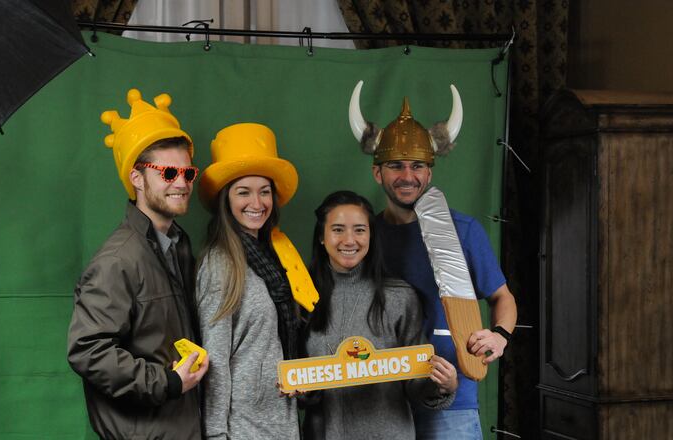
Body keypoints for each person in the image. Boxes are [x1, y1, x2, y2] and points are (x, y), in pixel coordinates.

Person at [348, 82, 518, 439]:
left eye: (417, 166)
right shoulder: (362, 236)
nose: (407, 176)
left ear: (430, 173)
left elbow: (502, 297)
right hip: (382, 400)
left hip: (451, 398)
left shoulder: (464, 230)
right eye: (396, 165)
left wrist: (500, 335)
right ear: (377, 172)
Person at [67, 89, 208, 440]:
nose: (181, 183)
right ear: (136, 178)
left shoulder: (179, 245)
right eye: (169, 172)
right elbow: (88, 351)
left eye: (188, 173)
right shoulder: (117, 260)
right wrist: (168, 382)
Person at [300, 190, 458, 440]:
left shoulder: (400, 297)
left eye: (360, 230)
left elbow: (415, 384)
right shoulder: (301, 297)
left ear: (371, 236)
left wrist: (441, 386)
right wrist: (302, 391)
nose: (349, 240)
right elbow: (298, 385)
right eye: (338, 229)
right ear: (322, 236)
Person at [196, 122, 301, 439]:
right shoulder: (220, 264)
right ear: (226, 199)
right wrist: (216, 434)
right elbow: (214, 360)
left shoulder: (278, 257)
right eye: (244, 192)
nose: (257, 203)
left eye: (264, 191)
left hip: (283, 421)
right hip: (242, 427)